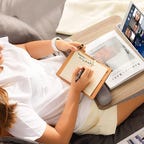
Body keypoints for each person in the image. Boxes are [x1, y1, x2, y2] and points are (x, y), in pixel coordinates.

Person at [0, 36, 143, 144]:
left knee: (129, 43)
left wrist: (56, 45)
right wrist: (75, 90)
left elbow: (25, 48)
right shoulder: (10, 107)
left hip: (81, 68)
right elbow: (59, 139)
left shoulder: (2, 52)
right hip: (92, 109)